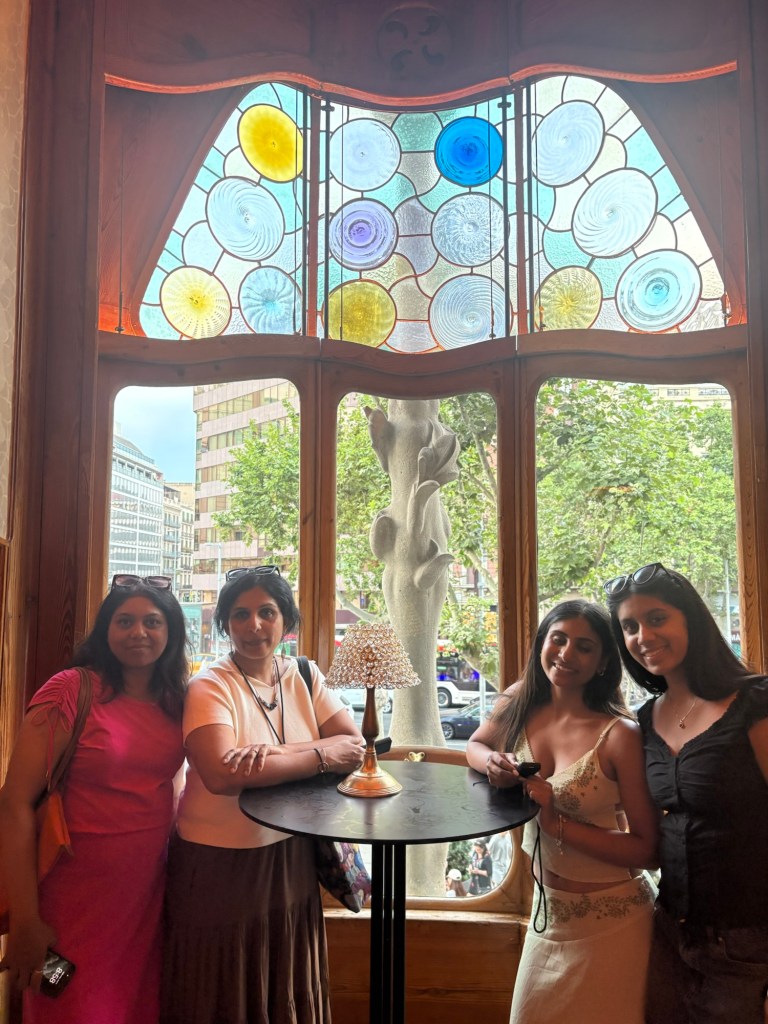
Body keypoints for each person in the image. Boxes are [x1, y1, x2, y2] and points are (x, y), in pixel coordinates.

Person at [161, 564, 365, 1024]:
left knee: (285, 979)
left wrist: (274, 754)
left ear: (285, 619)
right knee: (221, 986)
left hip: (292, 857)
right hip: (219, 865)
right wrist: (320, 754)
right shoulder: (210, 685)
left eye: (267, 612)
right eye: (240, 614)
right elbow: (221, 774)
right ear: (225, 624)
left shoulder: (304, 674)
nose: (254, 625)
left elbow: (353, 746)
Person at [0, 574, 188, 1024]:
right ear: (106, 629)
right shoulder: (71, 690)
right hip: (69, 903)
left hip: (146, 903)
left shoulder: (177, 701)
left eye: (152, 621)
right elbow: (14, 803)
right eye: (124, 621)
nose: (138, 632)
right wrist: (25, 920)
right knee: (72, 1010)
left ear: (171, 632)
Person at [466, 599, 658, 1024]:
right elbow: (475, 745)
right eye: (559, 639)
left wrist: (555, 823)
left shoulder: (620, 734)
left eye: (584, 647)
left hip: (615, 925)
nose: (567, 653)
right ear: (542, 642)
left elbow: (648, 849)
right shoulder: (519, 700)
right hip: (546, 917)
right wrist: (493, 763)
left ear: (604, 662)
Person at [604, 562, 768, 1024]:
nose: (643, 636)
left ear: (691, 619)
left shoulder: (754, 701)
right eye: (630, 627)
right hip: (669, 935)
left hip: (747, 943)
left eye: (657, 618)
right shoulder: (643, 720)